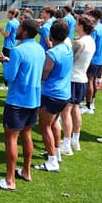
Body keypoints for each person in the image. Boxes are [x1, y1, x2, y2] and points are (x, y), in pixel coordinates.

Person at [0, 19, 45, 191]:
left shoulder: (17, 50)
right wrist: (9, 60)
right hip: (34, 99)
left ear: (25, 32)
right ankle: (26, 171)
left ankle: (10, 179)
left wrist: (4, 63)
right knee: (26, 134)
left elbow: (10, 77)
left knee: (11, 139)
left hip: (17, 100)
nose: (17, 30)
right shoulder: (40, 48)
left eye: (20, 27)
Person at [34, 20, 73, 174]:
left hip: (52, 94)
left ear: (51, 35)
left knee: (44, 126)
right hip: (64, 94)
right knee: (54, 123)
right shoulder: (67, 49)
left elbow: (45, 73)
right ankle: (56, 154)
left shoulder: (52, 53)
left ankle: (52, 161)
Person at [59, 15, 95, 156]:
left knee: (66, 112)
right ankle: (75, 140)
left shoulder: (80, 43)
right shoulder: (90, 40)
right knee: (75, 110)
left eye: (77, 23)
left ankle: (67, 144)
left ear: (81, 25)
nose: (75, 25)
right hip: (82, 79)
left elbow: (70, 61)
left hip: (73, 79)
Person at [82, 8, 102, 114]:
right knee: (94, 81)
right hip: (99, 58)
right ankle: (91, 102)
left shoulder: (95, 29)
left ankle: (88, 105)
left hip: (93, 59)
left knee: (89, 81)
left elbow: (90, 44)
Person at [0, 8, 20, 90]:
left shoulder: (10, 23)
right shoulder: (17, 22)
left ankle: (6, 84)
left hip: (8, 46)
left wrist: (1, 30)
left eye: (9, 13)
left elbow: (6, 34)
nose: (7, 14)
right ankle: (10, 83)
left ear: (13, 14)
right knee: (12, 64)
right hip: (15, 45)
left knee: (6, 64)